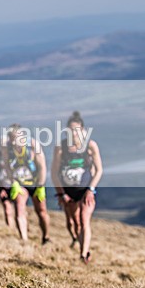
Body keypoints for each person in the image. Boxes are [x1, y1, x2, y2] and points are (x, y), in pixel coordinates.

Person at [52, 111, 103, 264]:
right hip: (68, 191)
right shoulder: (61, 148)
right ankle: (81, 245)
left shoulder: (90, 145)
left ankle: (83, 254)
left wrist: (91, 190)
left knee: (84, 219)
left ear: (83, 130)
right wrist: (61, 193)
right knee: (75, 222)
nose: (74, 133)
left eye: (77, 129)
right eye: (70, 130)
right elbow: (54, 173)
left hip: (85, 189)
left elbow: (99, 170)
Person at [4, 124, 51, 244]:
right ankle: (24, 240)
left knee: (41, 211)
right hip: (20, 183)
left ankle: (46, 237)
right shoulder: (7, 149)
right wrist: (13, 182)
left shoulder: (32, 146)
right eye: (12, 138)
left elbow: (42, 167)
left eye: (16, 137)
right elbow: (7, 167)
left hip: (35, 183)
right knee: (19, 209)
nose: (14, 141)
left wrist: (41, 186)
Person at [0, 142, 16, 230]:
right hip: (3, 186)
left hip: (16, 186)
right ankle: (10, 229)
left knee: (19, 209)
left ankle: (21, 229)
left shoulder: (14, 155)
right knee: (7, 208)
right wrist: (0, 189)